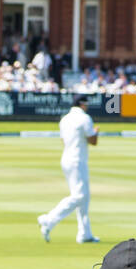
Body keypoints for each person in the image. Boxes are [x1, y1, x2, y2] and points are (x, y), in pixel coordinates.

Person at [37, 94, 99, 244]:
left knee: (84, 197)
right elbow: (93, 141)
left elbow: (63, 140)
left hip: (67, 158)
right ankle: (49, 220)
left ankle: (85, 233)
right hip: (77, 160)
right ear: (83, 105)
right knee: (80, 196)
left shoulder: (65, 119)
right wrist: (96, 132)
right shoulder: (85, 118)